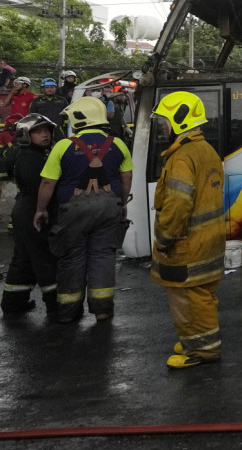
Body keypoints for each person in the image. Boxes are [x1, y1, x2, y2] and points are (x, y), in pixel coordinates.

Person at [34, 96, 133, 323]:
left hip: (72, 211)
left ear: (78, 119)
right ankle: (102, 310)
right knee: (103, 257)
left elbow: (48, 183)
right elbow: (126, 177)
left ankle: (69, 312)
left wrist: (41, 209)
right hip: (109, 209)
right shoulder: (117, 143)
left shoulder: (63, 146)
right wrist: (123, 202)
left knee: (71, 258)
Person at [149, 91, 226, 369]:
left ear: (179, 121)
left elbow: (178, 204)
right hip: (209, 240)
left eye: (165, 121)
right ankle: (195, 339)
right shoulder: (205, 150)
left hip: (187, 244)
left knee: (188, 298)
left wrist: (164, 238)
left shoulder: (182, 157)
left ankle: (202, 351)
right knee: (203, 294)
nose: (163, 127)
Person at [1, 114, 58, 318]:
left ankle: (13, 303)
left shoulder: (30, 154)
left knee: (24, 259)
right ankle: (56, 305)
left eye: (46, 131)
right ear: (25, 134)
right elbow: (40, 189)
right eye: (38, 132)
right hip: (34, 212)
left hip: (25, 210)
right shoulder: (31, 158)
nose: (45, 135)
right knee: (45, 258)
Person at [0, 77, 36, 145]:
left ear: (25, 85)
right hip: (12, 125)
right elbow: (4, 104)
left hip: (25, 124)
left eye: (18, 83)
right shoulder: (13, 95)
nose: (15, 85)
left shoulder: (31, 96)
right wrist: (11, 93)